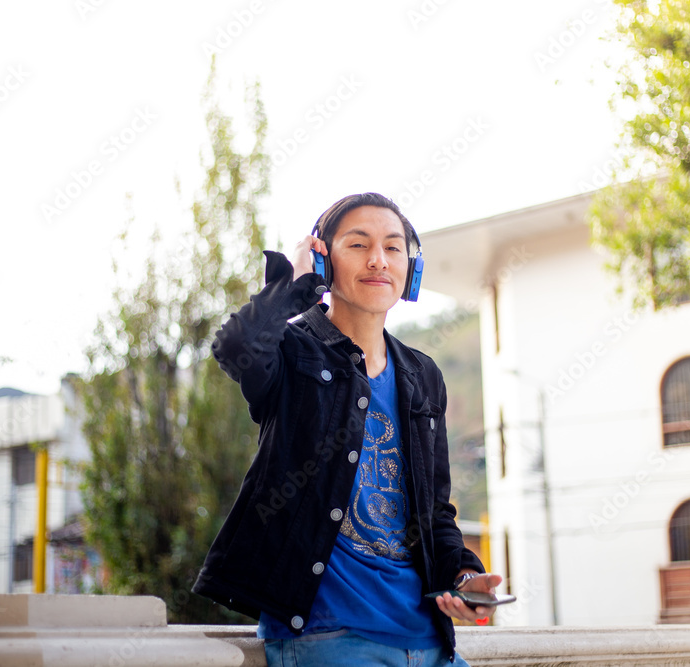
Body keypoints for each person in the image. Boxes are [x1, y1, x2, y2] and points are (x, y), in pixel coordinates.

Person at [193, 192, 502, 666]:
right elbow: (236, 347)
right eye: (358, 245)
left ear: (410, 267)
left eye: (393, 247)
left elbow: (435, 511)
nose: (378, 260)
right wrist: (295, 283)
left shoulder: (423, 375)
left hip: (428, 642)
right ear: (324, 258)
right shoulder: (294, 351)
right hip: (327, 637)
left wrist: (461, 577)